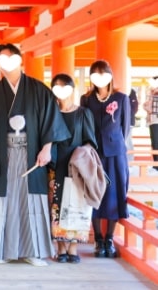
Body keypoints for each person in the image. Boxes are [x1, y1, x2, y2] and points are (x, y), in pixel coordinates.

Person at [0, 43, 70, 267]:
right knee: (6, 202)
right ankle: (4, 251)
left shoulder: (38, 90)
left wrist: (46, 148)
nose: (7, 64)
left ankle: (33, 251)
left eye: (11, 58)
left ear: (20, 59)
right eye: (2, 60)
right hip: (4, 157)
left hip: (32, 154)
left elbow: (50, 121)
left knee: (32, 202)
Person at [80, 60, 130, 258]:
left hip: (115, 154)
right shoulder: (87, 99)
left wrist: (113, 143)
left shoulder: (121, 98)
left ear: (110, 76)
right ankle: (98, 239)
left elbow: (125, 128)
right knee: (93, 192)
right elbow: (83, 124)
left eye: (103, 74)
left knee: (114, 193)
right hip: (93, 152)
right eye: (96, 75)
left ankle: (109, 238)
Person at [49, 73, 97, 264]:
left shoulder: (83, 113)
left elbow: (90, 142)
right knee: (58, 207)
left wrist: (81, 155)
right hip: (56, 164)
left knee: (78, 206)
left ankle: (73, 247)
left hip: (77, 167)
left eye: (65, 87)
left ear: (72, 89)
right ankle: (60, 247)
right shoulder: (51, 113)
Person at [143, 76, 158, 170]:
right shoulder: (151, 93)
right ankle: (156, 162)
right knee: (154, 142)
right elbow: (146, 106)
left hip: (155, 120)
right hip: (153, 120)